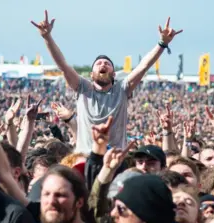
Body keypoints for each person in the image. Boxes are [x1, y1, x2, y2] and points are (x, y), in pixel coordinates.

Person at [32, 10, 182, 153]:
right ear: (91, 74)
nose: (102, 65)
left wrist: (162, 43)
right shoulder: (83, 88)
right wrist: (47, 38)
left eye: (107, 64)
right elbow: (63, 65)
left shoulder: (122, 89)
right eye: (98, 64)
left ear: (114, 73)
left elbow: (143, 66)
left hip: (115, 159)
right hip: (86, 158)